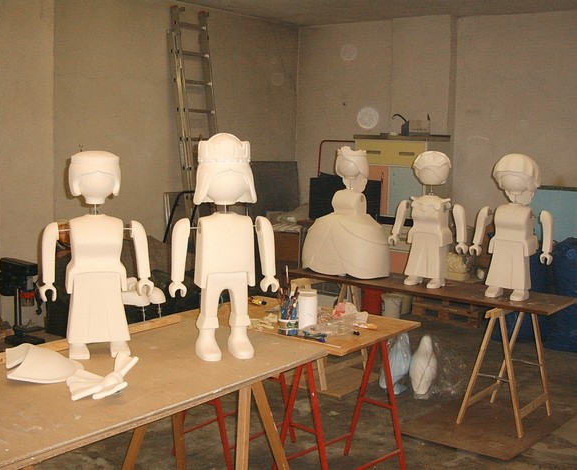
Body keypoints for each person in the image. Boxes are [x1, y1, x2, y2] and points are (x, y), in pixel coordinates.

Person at [169, 133, 279, 361]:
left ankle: (239, 335)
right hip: (213, 273)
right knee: (209, 306)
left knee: (241, 306)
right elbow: (179, 238)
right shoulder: (202, 223)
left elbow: (265, 238)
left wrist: (269, 274)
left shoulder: (250, 222)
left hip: (240, 272)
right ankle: (206, 337)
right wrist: (177, 279)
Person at [39, 151, 153, 360]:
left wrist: (145, 277)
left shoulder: (118, 224)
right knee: (81, 311)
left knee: (114, 309)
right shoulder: (72, 225)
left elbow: (140, 242)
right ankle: (78, 343)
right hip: (82, 276)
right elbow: (47, 241)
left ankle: (118, 340)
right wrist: (47, 282)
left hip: (111, 275)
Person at [469, 153, 553, 301]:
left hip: (520, 245)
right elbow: (482, 218)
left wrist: (546, 250)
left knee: (519, 268)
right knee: (498, 265)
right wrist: (476, 242)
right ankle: (495, 285)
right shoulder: (500, 209)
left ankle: (520, 289)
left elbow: (547, 223)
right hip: (500, 242)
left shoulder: (528, 212)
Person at [302, 146, 390, 279]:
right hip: (335, 221)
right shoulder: (340, 193)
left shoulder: (358, 195)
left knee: (361, 242)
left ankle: (355, 266)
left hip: (355, 225)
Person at [388, 151, 467, 288]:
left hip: (436, 235)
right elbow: (402, 211)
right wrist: (395, 233)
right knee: (416, 255)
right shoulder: (416, 202)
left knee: (436, 256)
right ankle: (415, 274)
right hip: (418, 234)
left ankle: (437, 277)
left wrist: (462, 241)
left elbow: (459, 214)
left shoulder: (443, 204)